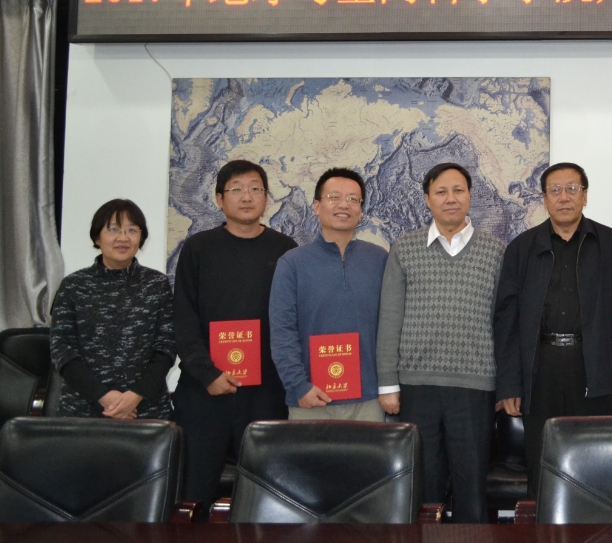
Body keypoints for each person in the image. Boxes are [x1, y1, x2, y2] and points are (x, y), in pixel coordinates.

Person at [493, 162, 612, 497]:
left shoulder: (611, 243)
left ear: (585, 196)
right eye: (555, 190)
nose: (564, 197)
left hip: (593, 369)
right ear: (544, 200)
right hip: (539, 369)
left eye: (572, 189)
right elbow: (506, 321)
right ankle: (543, 529)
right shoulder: (522, 248)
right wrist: (509, 384)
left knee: (593, 466)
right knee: (543, 464)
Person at [376, 162, 505, 523]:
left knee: (472, 488)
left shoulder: (496, 251)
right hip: (416, 388)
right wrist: (388, 383)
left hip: (475, 388)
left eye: (458, 190)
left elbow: (504, 324)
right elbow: (390, 318)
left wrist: (505, 385)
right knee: (423, 488)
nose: (451, 198)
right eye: (441, 191)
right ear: (427, 199)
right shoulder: (405, 248)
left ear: (470, 196)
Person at [172, 160, 297, 507]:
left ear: (266, 198)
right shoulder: (198, 248)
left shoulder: (285, 250)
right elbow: (183, 318)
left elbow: (292, 320)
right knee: (193, 495)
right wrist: (207, 373)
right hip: (205, 391)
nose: (247, 197)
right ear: (219, 198)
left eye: (255, 189)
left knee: (266, 496)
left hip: (266, 393)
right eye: (237, 189)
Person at [270, 168, 388, 421]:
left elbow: (392, 327)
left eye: (353, 199)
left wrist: (388, 386)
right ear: (316, 206)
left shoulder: (380, 259)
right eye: (334, 197)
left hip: (369, 400)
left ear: (361, 210)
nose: (344, 205)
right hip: (311, 399)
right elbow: (282, 331)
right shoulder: (292, 263)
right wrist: (298, 386)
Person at [49, 199, 174, 420]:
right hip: (83, 412)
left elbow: (167, 347)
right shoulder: (74, 285)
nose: (123, 238)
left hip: (146, 411)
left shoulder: (157, 284)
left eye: (131, 230)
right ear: (97, 238)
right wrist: (104, 397)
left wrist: (135, 396)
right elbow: (62, 349)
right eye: (113, 229)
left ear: (141, 237)